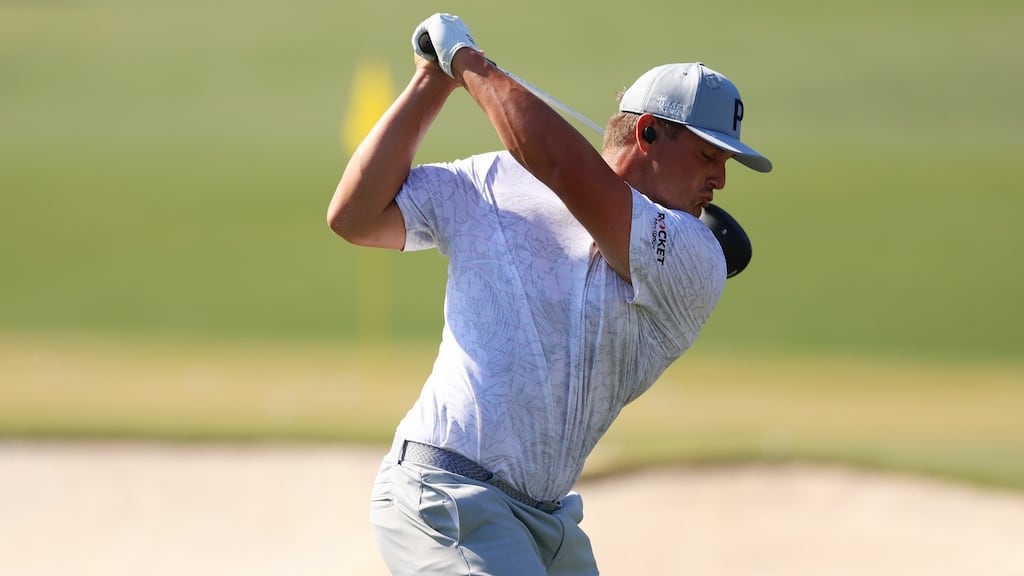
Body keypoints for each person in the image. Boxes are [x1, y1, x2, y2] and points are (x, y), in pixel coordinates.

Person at [327, 12, 772, 576]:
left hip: (547, 523)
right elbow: (355, 217)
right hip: (444, 493)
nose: (722, 180)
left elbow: (564, 166)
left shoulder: (695, 255)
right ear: (647, 132)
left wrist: (465, 60)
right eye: (711, 156)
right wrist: (430, 82)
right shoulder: (491, 182)